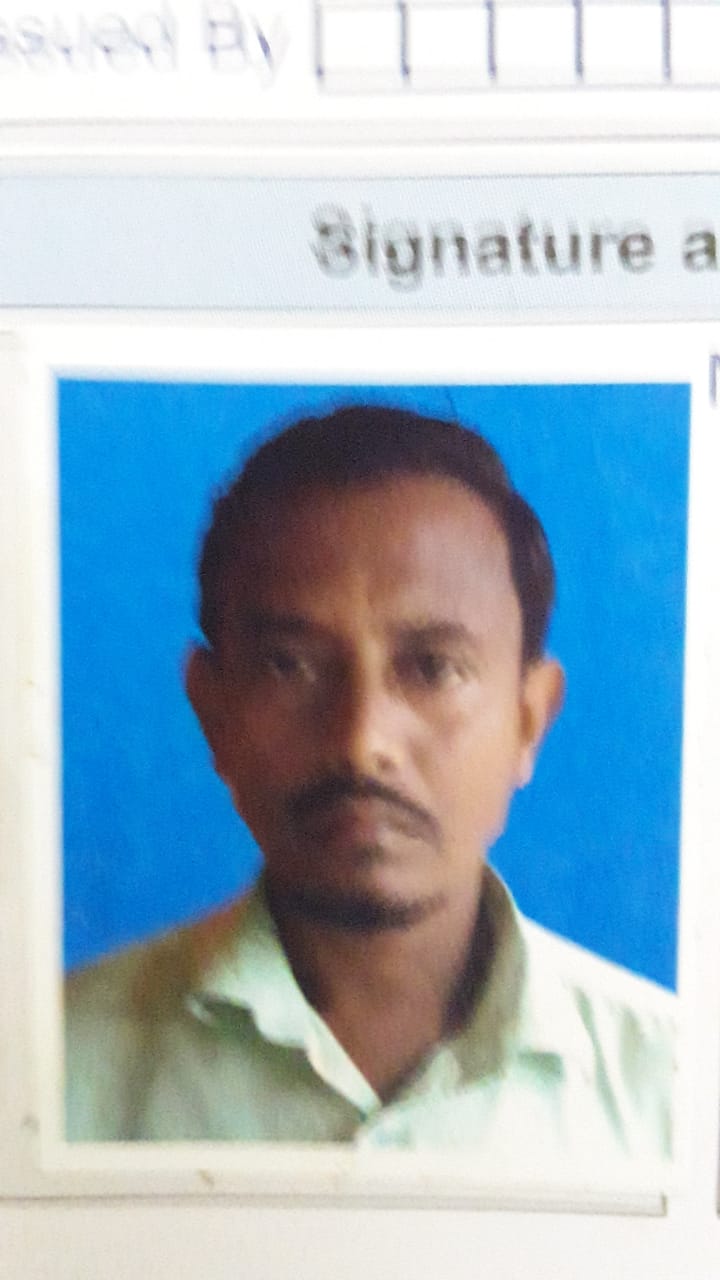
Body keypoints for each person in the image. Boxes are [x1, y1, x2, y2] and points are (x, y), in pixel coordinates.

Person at [65, 404, 675, 1167]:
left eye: (434, 668)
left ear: (529, 718)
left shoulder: (677, 1094)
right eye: (291, 665)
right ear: (214, 711)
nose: (362, 743)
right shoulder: (50, 1074)